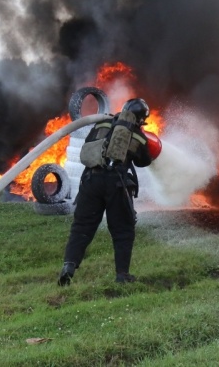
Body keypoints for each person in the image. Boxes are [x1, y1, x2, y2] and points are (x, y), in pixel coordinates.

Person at [58, 98, 162, 285]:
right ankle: (122, 275)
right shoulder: (137, 135)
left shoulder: (102, 123)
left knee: (82, 227)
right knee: (122, 230)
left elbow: (89, 143)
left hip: (91, 181)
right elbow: (144, 161)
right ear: (141, 119)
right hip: (116, 185)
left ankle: (69, 266)